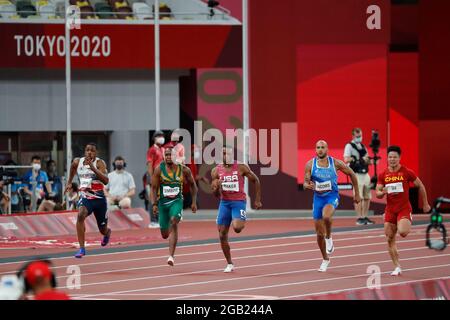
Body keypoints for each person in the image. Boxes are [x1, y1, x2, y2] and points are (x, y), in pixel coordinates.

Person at [304, 140, 361, 272]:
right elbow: (306, 182)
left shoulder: (335, 163)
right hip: (318, 199)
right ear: (315, 149)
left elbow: (352, 174)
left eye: (322, 147)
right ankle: (325, 259)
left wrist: (356, 193)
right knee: (318, 233)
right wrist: (308, 185)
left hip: (332, 196)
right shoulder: (310, 164)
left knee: (327, 216)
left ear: (327, 149)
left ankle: (329, 236)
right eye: (318, 147)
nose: (320, 150)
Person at [376, 145, 431, 276]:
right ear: (387, 158)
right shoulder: (383, 174)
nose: (392, 159)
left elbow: (420, 185)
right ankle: (397, 267)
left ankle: (408, 219)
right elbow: (378, 193)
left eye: (395, 157)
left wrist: (425, 204)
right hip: (390, 210)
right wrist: (382, 191)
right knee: (389, 238)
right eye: (390, 157)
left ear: (399, 158)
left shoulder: (407, 172)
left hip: (403, 208)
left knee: (403, 232)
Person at [211, 146, 262, 273]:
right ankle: (229, 263)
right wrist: (217, 189)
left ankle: (241, 218)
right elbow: (216, 195)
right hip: (224, 203)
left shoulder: (241, 167)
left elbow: (255, 180)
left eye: (227, 153)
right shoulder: (216, 171)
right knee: (222, 234)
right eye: (223, 153)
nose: (225, 156)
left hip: (238, 202)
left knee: (237, 228)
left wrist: (257, 200)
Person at [150, 147, 198, 266]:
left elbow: (193, 185)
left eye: (170, 155)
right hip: (162, 203)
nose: (168, 157)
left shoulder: (184, 170)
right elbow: (154, 188)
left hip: (177, 201)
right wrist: (154, 204)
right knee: (164, 234)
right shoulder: (158, 169)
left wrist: (193, 202)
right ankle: (172, 223)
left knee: (174, 221)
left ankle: (171, 256)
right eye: (166, 155)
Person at [64, 143, 110, 258]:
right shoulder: (77, 162)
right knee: (80, 215)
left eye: (92, 150)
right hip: (85, 197)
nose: (89, 152)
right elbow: (73, 168)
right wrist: (69, 182)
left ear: (96, 153)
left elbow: (106, 180)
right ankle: (82, 249)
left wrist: (93, 168)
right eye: (87, 150)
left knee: (102, 229)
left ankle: (107, 233)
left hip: (99, 200)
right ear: (85, 152)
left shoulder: (100, 163)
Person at [344, 128, 375, 225]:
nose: (359, 138)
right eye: (357, 136)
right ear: (353, 136)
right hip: (356, 174)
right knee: (358, 196)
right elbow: (346, 159)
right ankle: (359, 218)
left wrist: (371, 161)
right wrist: (356, 159)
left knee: (367, 197)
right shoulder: (349, 146)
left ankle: (365, 216)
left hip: (365, 174)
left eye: (360, 136)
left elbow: (367, 160)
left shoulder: (363, 146)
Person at [146, 130, 166, 228]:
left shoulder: (162, 149)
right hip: (154, 176)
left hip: (162, 177)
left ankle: (160, 219)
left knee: (161, 198)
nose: (161, 137)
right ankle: (153, 221)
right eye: (159, 136)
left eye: (162, 136)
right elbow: (150, 164)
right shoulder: (152, 150)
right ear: (154, 138)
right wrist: (150, 177)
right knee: (153, 198)